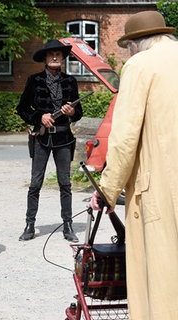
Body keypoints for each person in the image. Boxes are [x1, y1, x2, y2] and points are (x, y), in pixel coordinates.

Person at [90, 11, 178, 319]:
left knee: (164, 276)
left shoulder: (140, 65)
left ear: (135, 44)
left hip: (160, 189)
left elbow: (125, 136)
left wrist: (106, 188)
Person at [16, 39, 82, 242]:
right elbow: (22, 109)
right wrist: (40, 117)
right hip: (42, 138)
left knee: (65, 183)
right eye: (51, 54)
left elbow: (78, 113)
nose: (55, 57)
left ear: (62, 58)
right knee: (35, 183)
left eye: (58, 54)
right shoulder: (34, 80)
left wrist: (71, 112)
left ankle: (68, 225)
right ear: (45, 58)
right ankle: (30, 224)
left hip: (63, 138)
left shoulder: (71, 82)